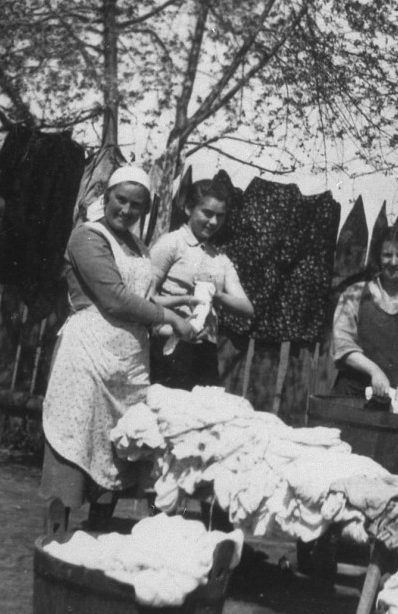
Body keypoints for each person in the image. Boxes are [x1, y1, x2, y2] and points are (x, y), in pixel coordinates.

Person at [40, 167, 196, 528]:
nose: (126, 210)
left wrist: (182, 302)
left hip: (126, 366)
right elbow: (114, 298)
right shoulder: (87, 237)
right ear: (106, 197)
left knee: (118, 451)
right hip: (87, 360)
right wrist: (169, 319)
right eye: (120, 200)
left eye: (136, 205)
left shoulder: (137, 246)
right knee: (74, 446)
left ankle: (95, 539)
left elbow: (143, 295)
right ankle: (54, 541)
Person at [149, 178, 254, 390]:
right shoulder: (172, 243)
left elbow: (247, 308)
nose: (214, 222)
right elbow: (145, 296)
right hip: (169, 344)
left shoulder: (220, 259)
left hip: (205, 351)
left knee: (204, 416)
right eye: (207, 213)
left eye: (220, 216)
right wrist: (171, 325)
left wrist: (217, 295)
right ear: (189, 208)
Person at [330, 225, 398, 399]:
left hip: (396, 399)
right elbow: (343, 346)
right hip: (349, 397)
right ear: (378, 258)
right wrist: (374, 371)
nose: (394, 262)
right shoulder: (355, 294)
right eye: (387, 255)